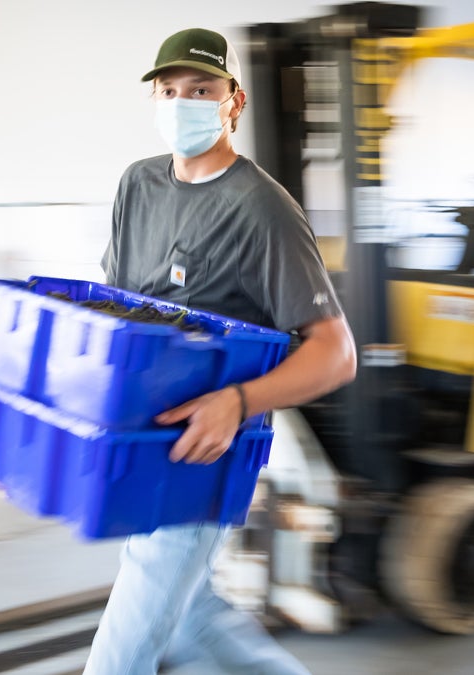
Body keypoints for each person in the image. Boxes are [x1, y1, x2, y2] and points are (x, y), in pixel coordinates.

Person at [84, 27, 357, 675]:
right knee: (192, 618)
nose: (182, 103)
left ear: (233, 101)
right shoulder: (138, 186)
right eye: (170, 90)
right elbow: (119, 303)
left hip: (208, 452)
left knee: (122, 653)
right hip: (147, 438)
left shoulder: (262, 209)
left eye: (201, 90)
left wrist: (237, 402)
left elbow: (334, 353)